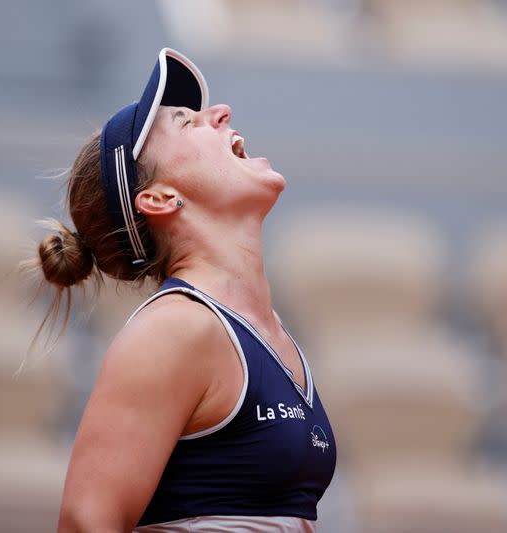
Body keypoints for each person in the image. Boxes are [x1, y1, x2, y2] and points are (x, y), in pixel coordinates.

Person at [30, 48, 336, 532]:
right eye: (187, 122)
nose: (221, 113)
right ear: (159, 198)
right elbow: (85, 523)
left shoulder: (268, 332)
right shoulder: (175, 329)